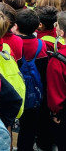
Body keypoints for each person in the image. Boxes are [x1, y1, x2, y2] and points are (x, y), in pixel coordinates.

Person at [13, 9, 49, 151]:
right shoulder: (42, 45)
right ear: (36, 27)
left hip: (16, 91)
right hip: (34, 93)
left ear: (16, 25)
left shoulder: (13, 45)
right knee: (29, 127)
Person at [46, 11, 66, 150]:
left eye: (57, 25)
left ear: (62, 32)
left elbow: (56, 93)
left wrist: (55, 112)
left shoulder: (57, 61)